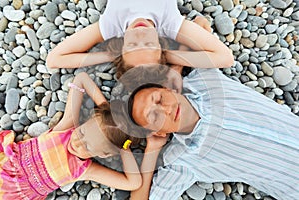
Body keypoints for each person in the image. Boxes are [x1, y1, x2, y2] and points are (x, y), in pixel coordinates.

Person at [113, 66, 299, 200]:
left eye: (159, 99)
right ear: (159, 133)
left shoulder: (204, 78)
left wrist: (175, 68)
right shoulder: (181, 162)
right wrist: (152, 150)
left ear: (167, 89)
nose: (166, 110)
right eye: (154, 116)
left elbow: (198, 25)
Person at [0, 72, 147, 199]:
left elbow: (133, 183)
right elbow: (81, 79)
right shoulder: (66, 128)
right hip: (4, 166)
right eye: (81, 132)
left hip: (11, 195)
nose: (77, 142)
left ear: (103, 155)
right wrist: (105, 108)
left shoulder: (84, 169)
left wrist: (123, 147)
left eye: (87, 146)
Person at [46, 0, 234, 78]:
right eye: (150, 44)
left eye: (132, 46)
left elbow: (54, 59)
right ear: (161, 44)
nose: (140, 34)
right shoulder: (170, 23)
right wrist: (168, 56)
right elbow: (225, 58)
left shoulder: (112, 25)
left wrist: (111, 55)